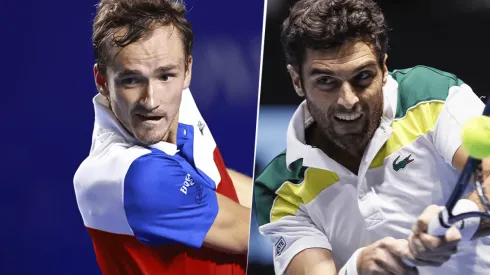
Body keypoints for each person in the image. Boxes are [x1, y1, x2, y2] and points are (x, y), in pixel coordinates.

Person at [254, 0, 490, 274]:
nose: (348, 100)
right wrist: (358, 267)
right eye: (326, 81)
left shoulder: (429, 96)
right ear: (297, 80)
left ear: (384, 69)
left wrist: (459, 221)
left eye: (363, 77)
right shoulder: (281, 188)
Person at [73, 0, 251, 274]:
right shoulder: (137, 175)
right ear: (102, 81)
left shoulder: (173, 93)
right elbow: (256, 235)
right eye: (131, 80)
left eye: (166, 76)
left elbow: (217, 179)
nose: (151, 100)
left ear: (187, 70)